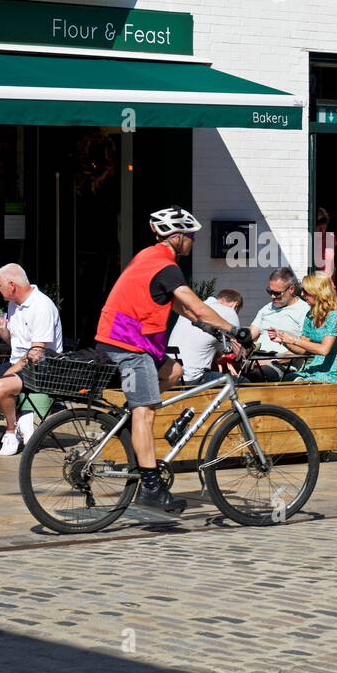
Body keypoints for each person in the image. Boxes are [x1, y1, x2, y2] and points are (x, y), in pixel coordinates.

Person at [96, 207, 248, 514]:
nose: (192, 242)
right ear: (177, 237)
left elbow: (182, 307)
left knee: (175, 371)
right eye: (190, 237)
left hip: (129, 340)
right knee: (146, 412)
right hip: (127, 342)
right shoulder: (167, 266)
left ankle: (132, 418)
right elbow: (196, 304)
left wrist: (203, 324)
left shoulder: (149, 258)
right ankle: (150, 487)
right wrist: (234, 330)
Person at [0, 263, 63, 457]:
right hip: (17, 362)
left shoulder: (42, 306)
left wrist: (10, 372)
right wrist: (2, 330)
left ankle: (11, 432)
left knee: (0, 387)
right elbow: (15, 343)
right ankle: (19, 415)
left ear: (12, 285)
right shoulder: (14, 304)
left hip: (42, 368)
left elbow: (37, 352)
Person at [271, 272, 337, 390]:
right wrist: (284, 340)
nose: (302, 294)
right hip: (316, 366)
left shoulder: (335, 316)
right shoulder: (311, 315)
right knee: (287, 379)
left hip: (334, 371)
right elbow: (303, 351)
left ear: (319, 292)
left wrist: (294, 340)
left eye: (306, 291)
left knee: (298, 385)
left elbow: (324, 350)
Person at [166, 289, 244, 385]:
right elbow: (239, 352)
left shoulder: (192, 309)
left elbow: (204, 345)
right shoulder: (229, 312)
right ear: (235, 305)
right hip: (194, 379)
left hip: (171, 376)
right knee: (244, 383)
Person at [246, 266, 308, 381]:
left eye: (277, 293)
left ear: (291, 289)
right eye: (270, 291)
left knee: (253, 376)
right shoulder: (266, 309)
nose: (272, 296)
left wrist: (271, 360)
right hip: (255, 361)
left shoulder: (304, 311)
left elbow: (304, 348)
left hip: (282, 365)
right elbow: (251, 333)